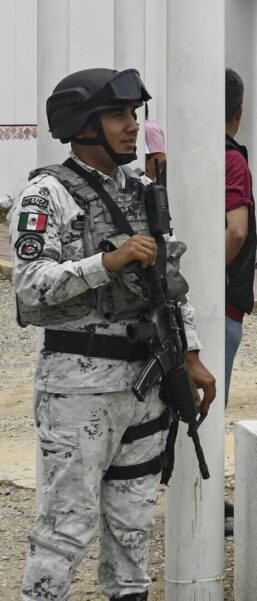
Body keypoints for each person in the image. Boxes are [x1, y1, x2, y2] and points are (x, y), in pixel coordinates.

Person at [12, 67, 215, 601]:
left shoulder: (145, 193)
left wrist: (190, 353)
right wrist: (107, 262)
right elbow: (29, 288)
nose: (133, 127)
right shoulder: (46, 195)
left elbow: (168, 283)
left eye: (134, 115)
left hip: (146, 382)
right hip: (79, 391)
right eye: (118, 116)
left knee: (133, 527)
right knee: (65, 529)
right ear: (82, 125)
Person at [222, 67, 257, 538]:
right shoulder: (231, 159)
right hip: (221, 304)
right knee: (209, 403)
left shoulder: (186, 154)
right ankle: (206, 499)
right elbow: (236, 230)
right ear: (240, 112)